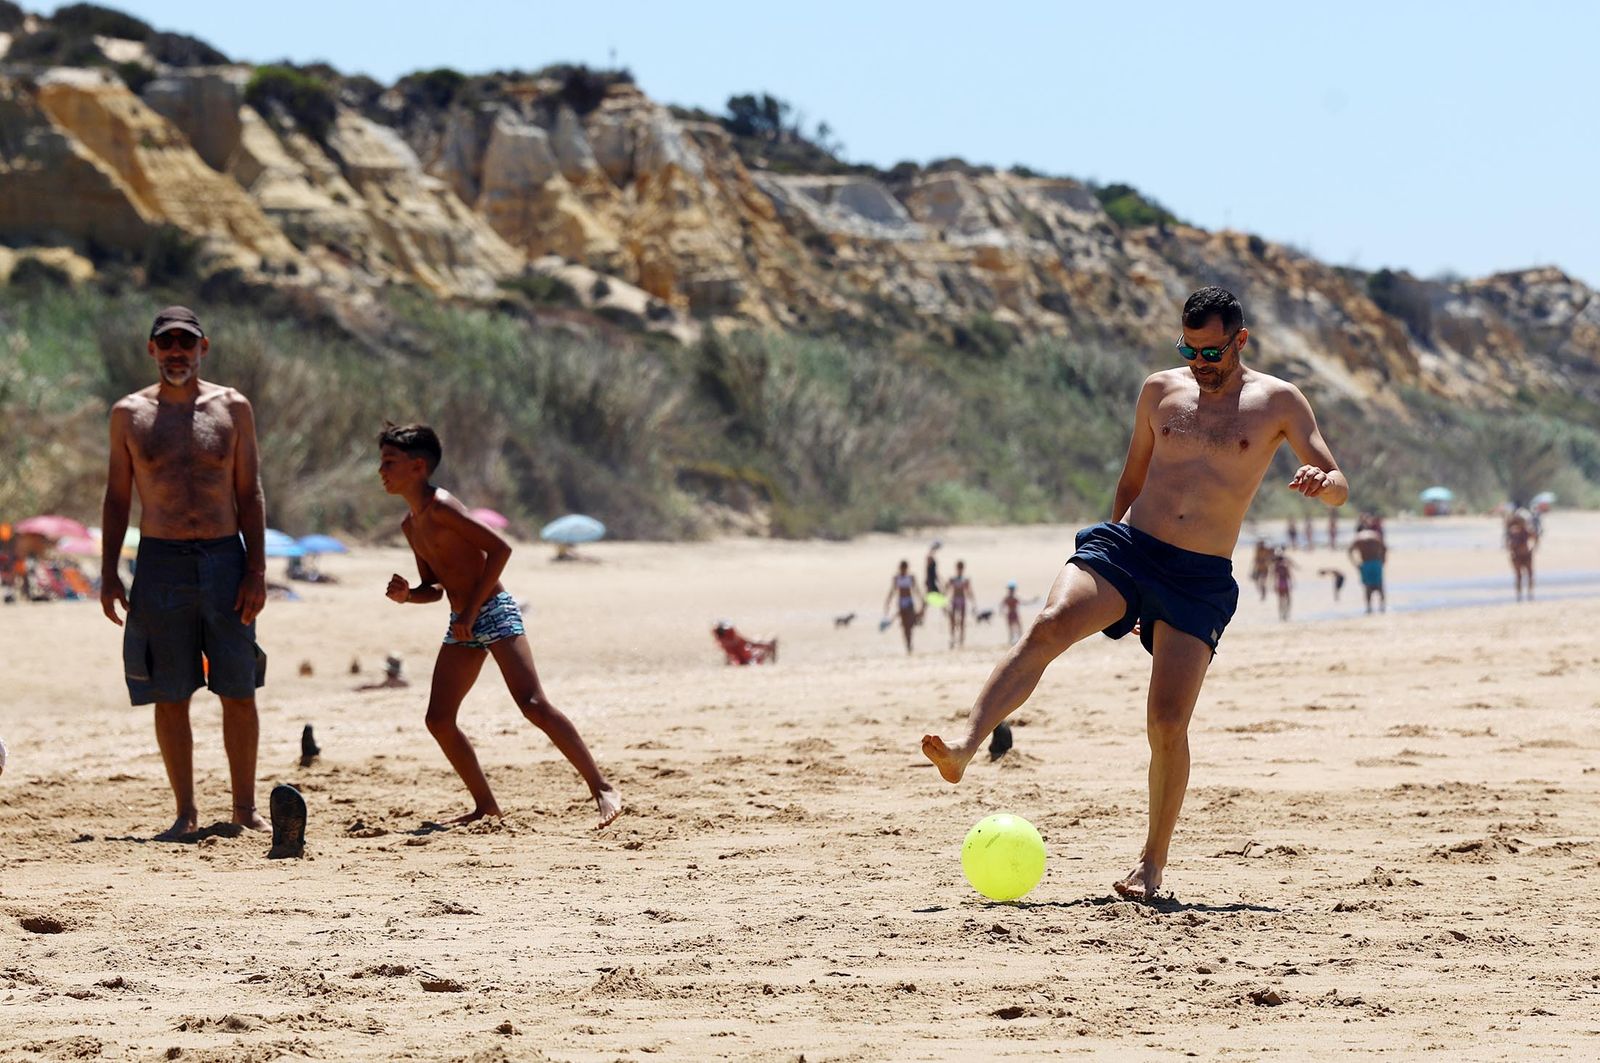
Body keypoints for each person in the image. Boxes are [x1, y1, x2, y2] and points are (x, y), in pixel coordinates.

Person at [920, 286, 1349, 901]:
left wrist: (1321, 482)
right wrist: (1118, 576)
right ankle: (966, 746)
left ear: (1241, 341)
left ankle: (1151, 865)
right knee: (1048, 624)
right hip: (1131, 547)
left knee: (1167, 722)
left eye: (1211, 352)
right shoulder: (1159, 390)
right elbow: (1131, 479)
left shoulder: (1278, 401)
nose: (1199, 363)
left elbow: (1338, 483)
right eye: (1188, 349)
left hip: (1198, 576)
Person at [378, 423, 621, 829]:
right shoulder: (411, 524)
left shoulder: (442, 507)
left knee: (533, 705)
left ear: (418, 467)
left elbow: (500, 549)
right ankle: (486, 807)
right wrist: (408, 595)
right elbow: (434, 589)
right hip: (462, 623)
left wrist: (471, 611)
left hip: (492, 610)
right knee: (439, 720)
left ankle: (602, 787)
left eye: (389, 462)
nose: (381, 471)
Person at [99, 306, 269, 840]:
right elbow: (117, 498)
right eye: (167, 342)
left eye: (186, 342)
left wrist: (257, 569)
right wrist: (108, 572)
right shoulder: (129, 414)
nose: (177, 351)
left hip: (225, 559)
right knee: (169, 692)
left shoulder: (233, 408)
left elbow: (249, 492)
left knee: (238, 687)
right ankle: (185, 813)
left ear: (203, 348)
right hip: (160, 561)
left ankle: (245, 809)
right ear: (152, 349)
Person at [883, 560, 923, 654]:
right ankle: (908, 644)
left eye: (904, 568)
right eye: (902, 568)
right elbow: (892, 590)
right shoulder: (896, 578)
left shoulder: (911, 577)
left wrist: (921, 600)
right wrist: (888, 602)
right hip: (901, 602)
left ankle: (910, 642)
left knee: (910, 624)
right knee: (904, 626)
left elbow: (916, 590)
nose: (903, 570)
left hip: (909, 601)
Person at [1348, 523, 1387, 613]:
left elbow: (1350, 551)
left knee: (1367, 587)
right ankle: (1382, 607)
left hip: (1366, 563)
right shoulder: (1375, 535)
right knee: (1380, 585)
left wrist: (1355, 563)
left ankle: (1369, 608)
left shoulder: (1358, 537)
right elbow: (1384, 548)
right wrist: (1383, 560)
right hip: (1376, 562)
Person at [1505, 508, 1537, 601]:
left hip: (1525, 555)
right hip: (1517, 556)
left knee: (1528, 575)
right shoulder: (1513, 531)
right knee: (1519, 576)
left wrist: (1533, 548)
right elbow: (1508, 543)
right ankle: (1520, 595)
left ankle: (1528, 594)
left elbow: (1535, 537)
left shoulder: (1526, 531)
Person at [713, 621, 778, 665]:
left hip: (747, 657)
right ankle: (768, 642)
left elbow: (746, 643)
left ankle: (769, 642)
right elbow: (728, 652)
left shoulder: (731, 637)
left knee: (754, 658)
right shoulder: (723, 638)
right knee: (753, 649)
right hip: (742, 657)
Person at [945, 560, 974, 650]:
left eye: (961, 568)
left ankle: (961, 639)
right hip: (954, 600)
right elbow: (947, 588)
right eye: (958, 568)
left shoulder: (965, 579)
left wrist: (973, 601)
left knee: (962, 620)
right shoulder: (952, 579)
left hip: (962, 600)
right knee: (952, 620)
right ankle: (953, 638)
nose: (959, 569)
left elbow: (969, 591)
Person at [1272, 548, 1295, 620]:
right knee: (1288, 599)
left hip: (1279, 584)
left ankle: (1281, 614)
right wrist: (1292, 583)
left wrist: (1274, 585)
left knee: (1280, 600)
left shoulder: (1276, 566)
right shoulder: (1285, 566)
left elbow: (1274, 576)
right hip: (1285, 584)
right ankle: (1286, 613)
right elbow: (1289, 576)